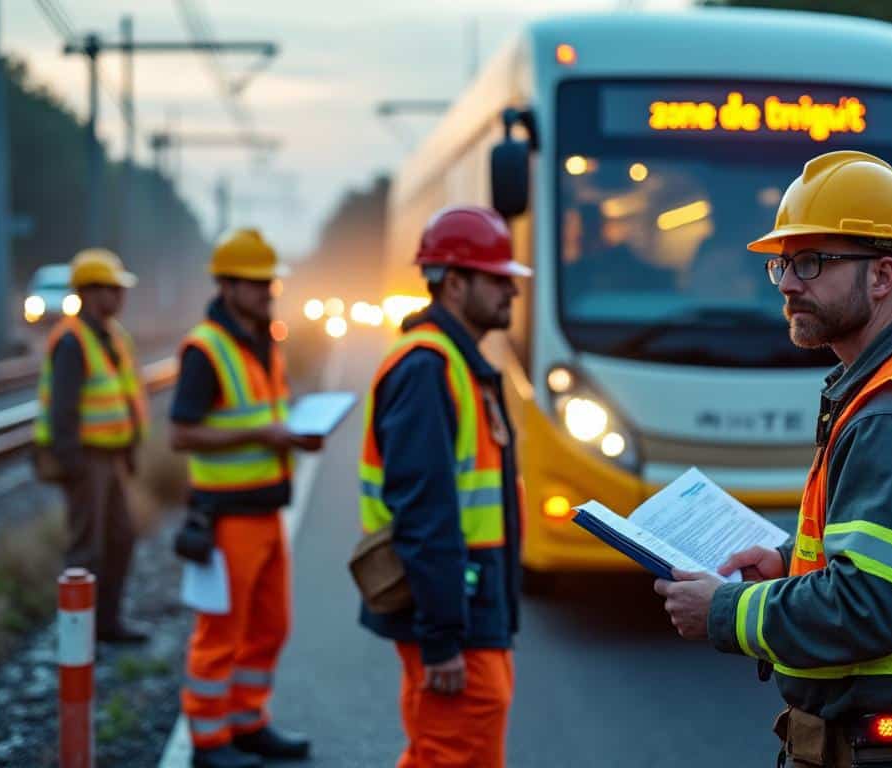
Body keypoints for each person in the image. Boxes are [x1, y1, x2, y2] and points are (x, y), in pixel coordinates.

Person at [656, 151, 892, 768]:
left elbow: (870, 607)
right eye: (783, 264)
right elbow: (883, 567)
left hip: (885, 753)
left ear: (882, 277)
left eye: (812, 262)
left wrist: (725, 611)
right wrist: (789, 563)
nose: (788, 284)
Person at [357, 205, 530, 768]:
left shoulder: (454, 361)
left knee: (454, 749)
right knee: (453, 751)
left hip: (470, 601)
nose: (512, 291)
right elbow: (424, 513)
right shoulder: (427, 369)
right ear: (454, 283)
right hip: (456, 607)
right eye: (497, 279)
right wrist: (441, 637)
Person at [169, 229, 322, 768]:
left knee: (269, 627)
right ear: (227, 286)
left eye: (269, 282)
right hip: (227, 517)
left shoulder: (262, 341)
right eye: (256, 283)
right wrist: (261, 434)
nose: (266, 291)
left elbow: (264, 416)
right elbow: (180, 434)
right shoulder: (206, 349)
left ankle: (247, 722)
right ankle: (208, 742)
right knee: (221, 634)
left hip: (266, 509)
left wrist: (294, 435)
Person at [34, 247, 148, 644]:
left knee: (120, 539)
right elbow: (62, 412)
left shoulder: (113, 336)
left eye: (120, 288)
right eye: (112, 288)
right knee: (86, 551)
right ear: (88, 292)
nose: (120, 296)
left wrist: (129, 449)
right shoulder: (72, 340)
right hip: (86, 458)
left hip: (111, 456)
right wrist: (74, 466)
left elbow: (123, 396)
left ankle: (106, 624)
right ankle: (77, 640)